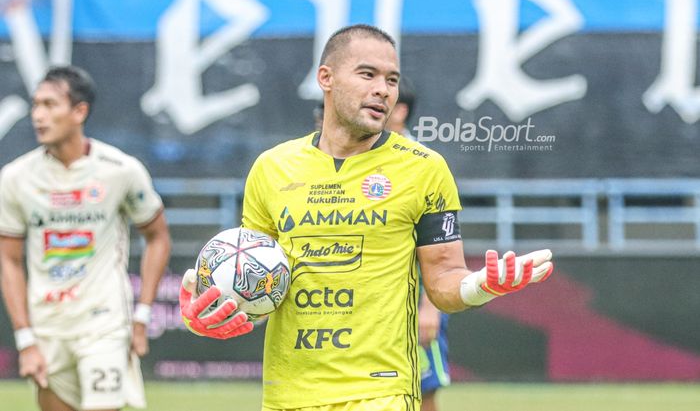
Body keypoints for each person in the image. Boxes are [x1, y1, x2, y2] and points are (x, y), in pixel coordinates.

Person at [179, 24, 553, 410]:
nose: (383, 89)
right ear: (326, 78)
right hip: (287, 393)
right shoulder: (271, 169)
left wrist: (482, 285)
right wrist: (215, 311)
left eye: (392, 79)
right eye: (367, 74)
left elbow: (443, 280)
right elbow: (258, 286)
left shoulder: (425, 169)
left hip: (381, 392)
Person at [0, 65, 171, 411]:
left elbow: (157, 237)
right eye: (35, 105)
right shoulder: (15, 178)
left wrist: (141, 316)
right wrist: (25, 339)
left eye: (50, 105)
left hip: (104, 323)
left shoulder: (120, 170)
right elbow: (9, 259)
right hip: (48, 327)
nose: (38, 116)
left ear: (80, 111)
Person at [387, 77, 449, 411]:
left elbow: (440, 245)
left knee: (424, 391)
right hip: (369, 304)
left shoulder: (425, 164)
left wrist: (430, 306)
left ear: (401, 111)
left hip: (416, 299)